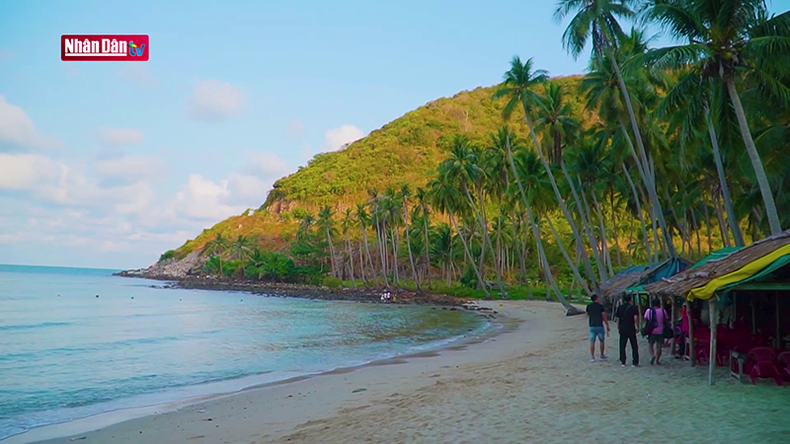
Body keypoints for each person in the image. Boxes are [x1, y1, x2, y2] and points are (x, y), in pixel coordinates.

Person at [614, 294, 640, 367]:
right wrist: (637, 326)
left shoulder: (620, 307)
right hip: (631, 327)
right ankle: (635, 361)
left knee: (622, 344)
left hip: (623, 327)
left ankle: (623, 361)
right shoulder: (634, 308)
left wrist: (618, 327)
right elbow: (635, 318)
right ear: (630, 299)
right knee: (634, 345)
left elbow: (618, 318)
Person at [585, 294, 610, 362]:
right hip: (599, 325)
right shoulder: (600, 306)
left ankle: (592, 357)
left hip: (592, 325)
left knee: (592, 341)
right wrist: (607, 324)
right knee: (601, 340)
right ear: (596, 299)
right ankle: (601, 355)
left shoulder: (589, 306)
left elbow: (587, 314)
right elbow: (604, 316)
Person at [645, 298, 669, 365]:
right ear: (659, 304)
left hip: (652, 330)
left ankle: (653, 355)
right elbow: (666, 319)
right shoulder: (663, 311)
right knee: (659, 346)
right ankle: (657, 360)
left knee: (650, 344)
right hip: (661, 330)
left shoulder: (649, 311)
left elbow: (646, 318)